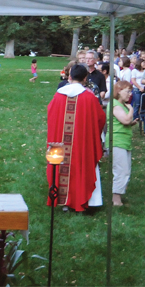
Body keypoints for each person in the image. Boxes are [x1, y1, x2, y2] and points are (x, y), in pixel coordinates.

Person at [46, 64, 106, 212]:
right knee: (83, 166)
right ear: (85, 78)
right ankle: (85, 200)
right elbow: (100, 118)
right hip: (82, 142)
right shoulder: (89, 97)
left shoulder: (58, 96)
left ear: (70, 77)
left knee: (62, 166)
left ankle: (64, 201)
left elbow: (51, 115)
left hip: (61, 142)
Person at [108, 81, 138, 206]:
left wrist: (132, 123)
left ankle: (118, 196)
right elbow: (125, 120)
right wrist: (131, 110)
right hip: (116, 141)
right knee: (121, 171)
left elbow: (123, 122)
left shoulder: (121, 105)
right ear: (119, 91)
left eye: (131, 91)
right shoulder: (115, 105)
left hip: (124, 142)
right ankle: (116, 200)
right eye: (128, 91)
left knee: (126, 170)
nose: (130, 94)